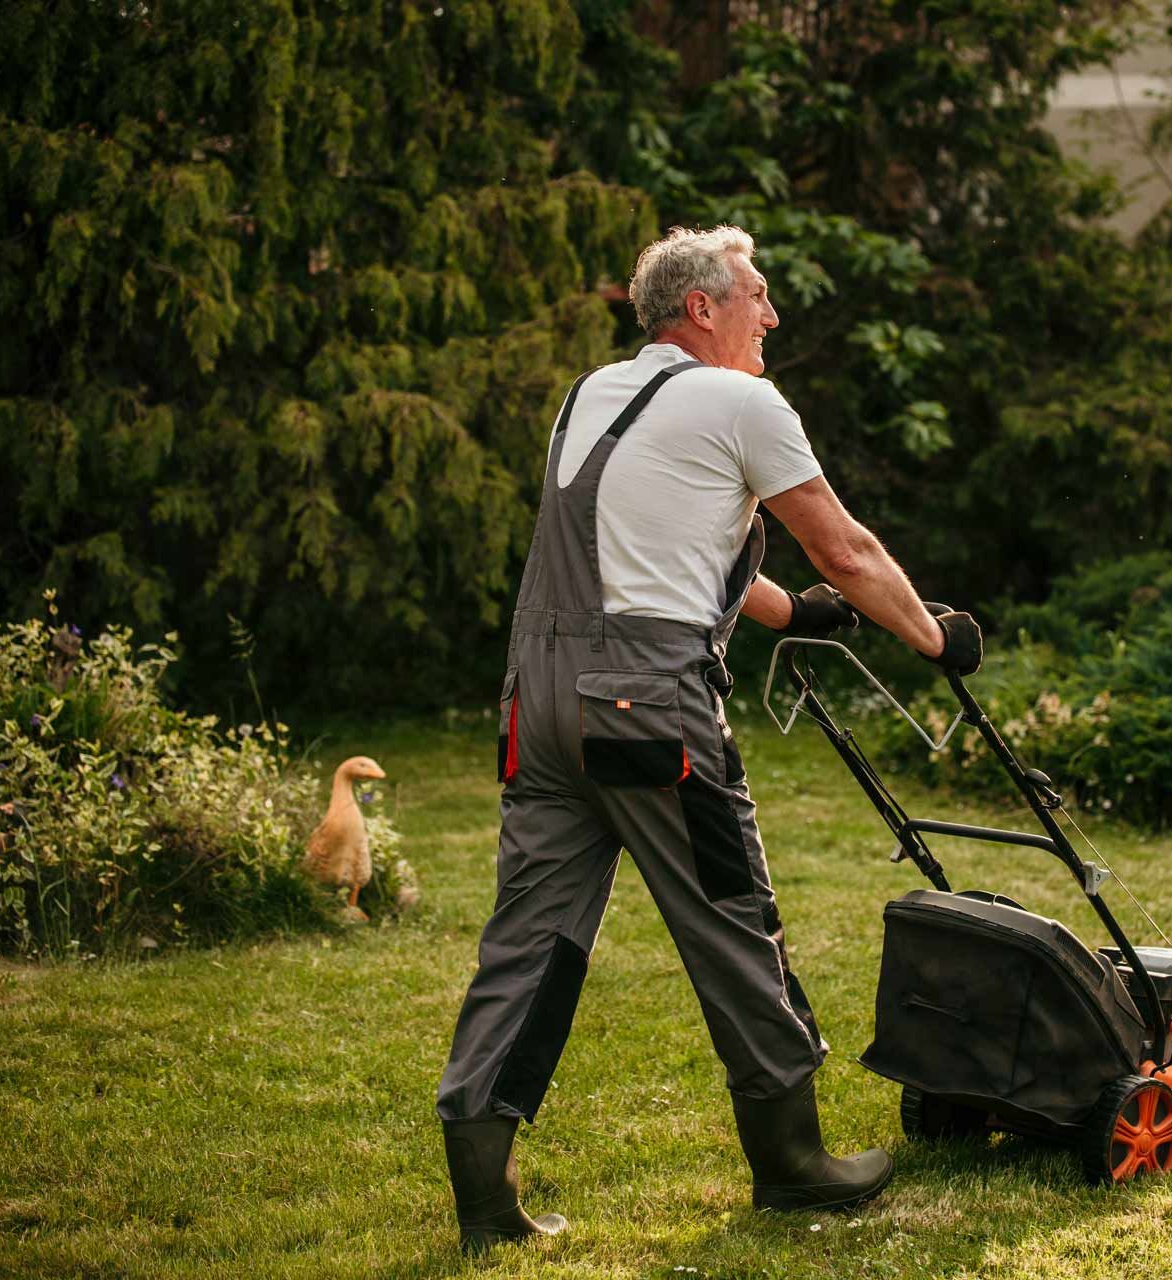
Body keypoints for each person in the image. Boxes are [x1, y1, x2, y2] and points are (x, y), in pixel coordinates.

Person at [436, 224, 983, 1254]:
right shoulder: (742, 401)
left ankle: (484, 1196)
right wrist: (933, 636)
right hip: (648, 709)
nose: (772, 315)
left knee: (530, 940)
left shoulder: (592, 394)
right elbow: (848, 545)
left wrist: (793, 614)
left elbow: (662, 546)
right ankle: (793, 1163)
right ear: (702, 307)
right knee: (733, 915)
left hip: (538, 705)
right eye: (759, 295)